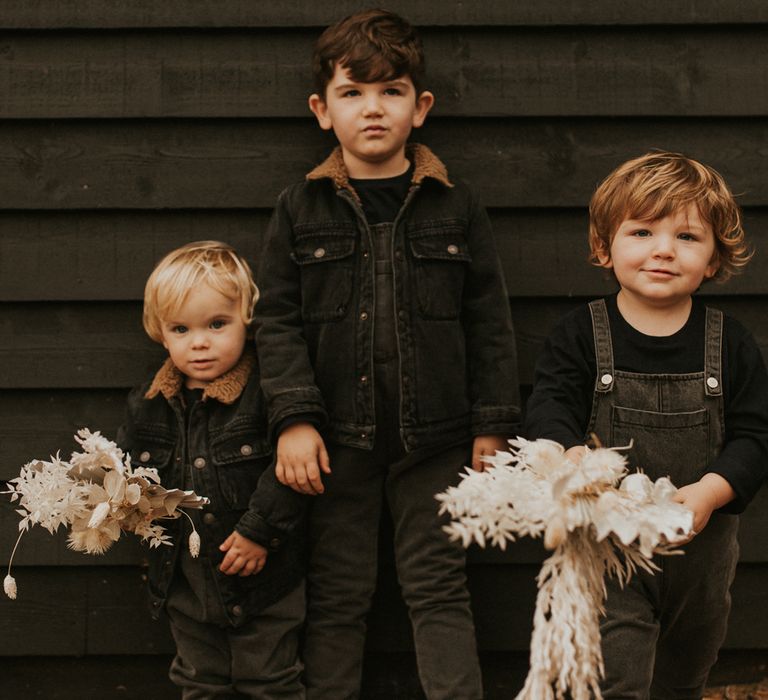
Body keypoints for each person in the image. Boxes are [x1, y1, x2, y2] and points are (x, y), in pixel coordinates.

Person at [253, 9, 520, 699]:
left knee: (439, 589)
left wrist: (492, 424)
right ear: (322, 109)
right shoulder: (299, 207)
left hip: (437, 442)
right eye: (352, 92)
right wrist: (294, 419)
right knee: (338, 595)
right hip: (334, 444)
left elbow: (488, 321)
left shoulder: (455, 207)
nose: (373, 109)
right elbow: (276, 321)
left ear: (420, 106)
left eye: (391, 90)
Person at [524, 151, 768, 698]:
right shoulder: (580, 334)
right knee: (619, 678)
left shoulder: (729, 342)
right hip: (609, 548)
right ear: (605, 248)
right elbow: (551, 406)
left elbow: (756, 436)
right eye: (642, 231)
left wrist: (710, 491)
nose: (663, 249)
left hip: (700, 558)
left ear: (712, 259)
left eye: (686, 237)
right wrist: (568, 456)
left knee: (682, 677)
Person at [118, 241, 306, 699]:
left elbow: (292, 472)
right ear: (160, 332)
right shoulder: (148, 405)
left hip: (264, 580)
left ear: (246, 319)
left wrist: (261, 530)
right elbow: (128, 479)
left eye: (216, 324)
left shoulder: (266, 394)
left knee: (272, 682)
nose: (199, 342)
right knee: (199, 682)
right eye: (181, 328)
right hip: (185, 582)